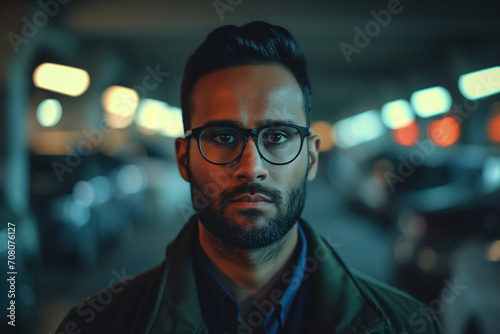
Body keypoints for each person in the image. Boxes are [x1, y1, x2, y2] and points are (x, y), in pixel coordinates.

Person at [56, 21, 443, 334]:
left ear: (311, 157)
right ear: (183, 158)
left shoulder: (407, 325)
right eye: (224, 138)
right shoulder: (99, 324)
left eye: (277, 137)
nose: (251, 167)